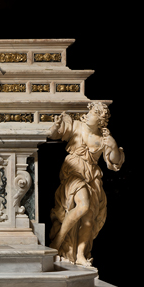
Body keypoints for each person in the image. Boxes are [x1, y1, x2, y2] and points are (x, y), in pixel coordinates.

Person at [49, 102, 124, 267]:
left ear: (99, 120)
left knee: (89, 218)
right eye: (89, 112)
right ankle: (57, 242)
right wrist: (55, 127)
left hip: (92, 177)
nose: (87, 115)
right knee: (83, 206)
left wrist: (114, 148)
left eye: (91, 113)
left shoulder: (104, 139)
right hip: (73, 171)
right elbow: (54, 135)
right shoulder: (77, 127)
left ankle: (80, 254)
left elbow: (115, 163)